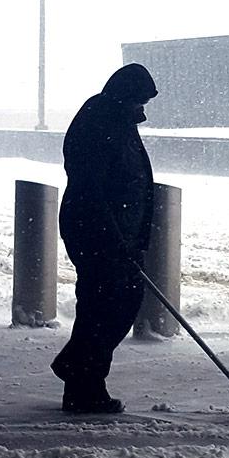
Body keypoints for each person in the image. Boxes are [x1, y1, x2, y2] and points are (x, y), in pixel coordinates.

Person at [51, 63, 157, 414]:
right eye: (139, 102)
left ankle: (78, 368)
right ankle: (84, 386)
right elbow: (90, 189)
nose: (143, 110)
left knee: (120, 303)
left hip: (118, 234)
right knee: (102, 307)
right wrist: (111, 237)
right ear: (124, 97)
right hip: (97, 234)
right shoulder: (99, 122)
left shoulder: (119, 120)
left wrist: (136, 234)